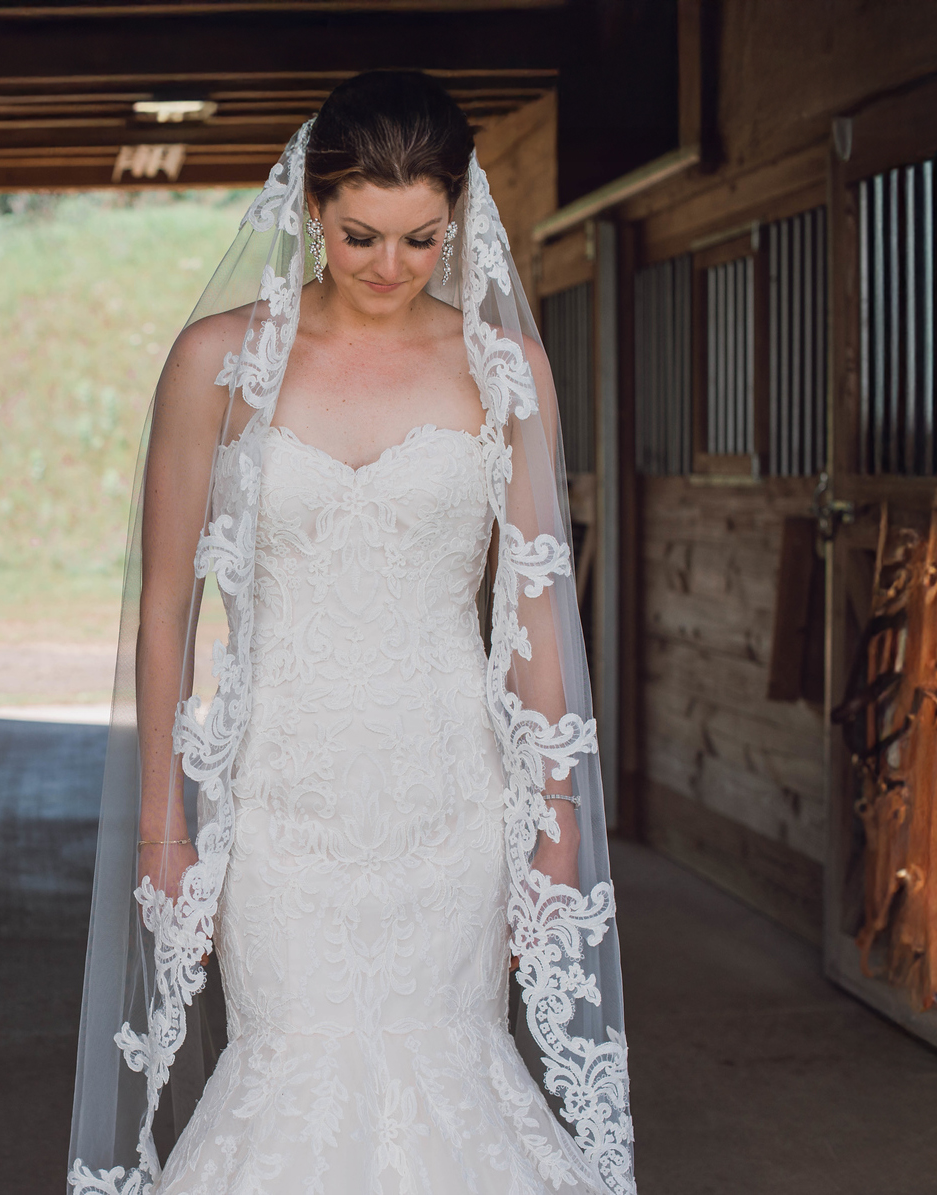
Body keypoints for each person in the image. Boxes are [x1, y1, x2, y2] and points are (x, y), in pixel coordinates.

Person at [68, 72, 636, 1195]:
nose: (389, 266)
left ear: (459, 218)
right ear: (311, 209)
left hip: (452, 800)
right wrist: (162, 821)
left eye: (423, 239)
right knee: (293, 1065)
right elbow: (167, 607)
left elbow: (534, 606)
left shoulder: (506, 368)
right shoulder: (215, 363)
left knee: (451, 1061)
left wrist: (556, 824)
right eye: (360, 234)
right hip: (279, 801)